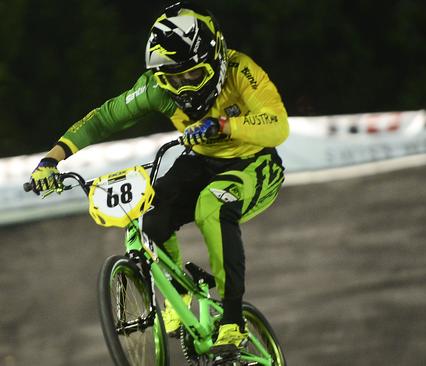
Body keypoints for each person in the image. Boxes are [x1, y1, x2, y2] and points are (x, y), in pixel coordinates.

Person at [28, 1, 289, 354]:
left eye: (193, 76)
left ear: (216, 60)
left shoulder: (241, 70)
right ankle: (177, 293)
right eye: (172, 80)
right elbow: (103, 118)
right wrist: (52, 159)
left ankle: (232, 321)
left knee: (212, 204)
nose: (183, 89)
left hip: (255, 164)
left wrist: (226, 125)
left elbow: (278, 127)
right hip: (202, 159)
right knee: (151, 213)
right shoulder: (156, 88)